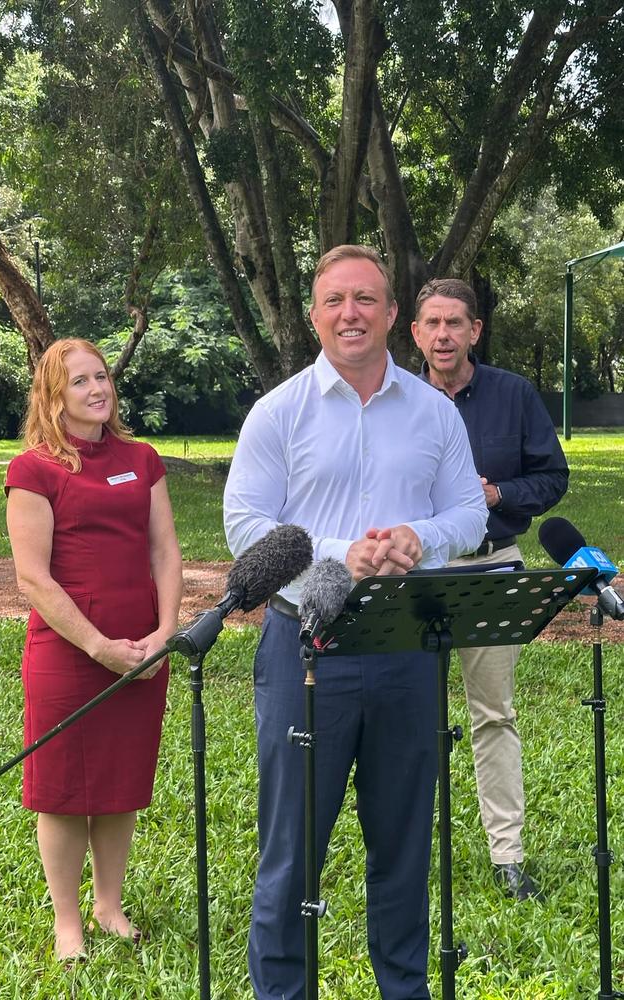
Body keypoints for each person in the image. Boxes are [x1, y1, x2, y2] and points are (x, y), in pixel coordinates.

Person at [223, 246, 488, 1000]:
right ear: (314, 314)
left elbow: (467, 512)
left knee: (405, 848)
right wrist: (346, 557)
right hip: (308, 645)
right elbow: (246, 526)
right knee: (292, 848)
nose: (351, 314)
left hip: (409, 644)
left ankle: (403, 990)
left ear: (392, 313)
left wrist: (420, 539)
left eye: (366, 300)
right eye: (335, 300)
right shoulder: (279, 412)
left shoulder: (434, 412)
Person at [5, 338, 182, 963]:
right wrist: (100, 646)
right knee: (59, 789)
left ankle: (109, 904)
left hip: (142, 650)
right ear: (54, 395)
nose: (96, 390)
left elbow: (165, 552)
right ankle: (68, 921)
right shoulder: (33, 470)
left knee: (119, 781)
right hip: (69, 651)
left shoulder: (142, 457)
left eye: (101, 377)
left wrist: (163, 635)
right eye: (79, 382)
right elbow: (34, 579)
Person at [411, 278, 569, 901]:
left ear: (475, 331)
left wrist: (498, 495)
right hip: (416, 575)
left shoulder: (513, 395)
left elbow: (552, 477)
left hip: (493, 566)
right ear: (416, 333)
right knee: (405, 715)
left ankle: (508, 855)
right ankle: (405, 853)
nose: (443, 334)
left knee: (493, 714)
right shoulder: (392, 398)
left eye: (455, 323)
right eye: (432, 324)